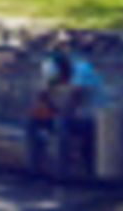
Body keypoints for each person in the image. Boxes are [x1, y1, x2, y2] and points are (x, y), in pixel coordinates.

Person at [27, 48, 106, 179]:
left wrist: (53, 108)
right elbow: (44, 96)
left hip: (91, 117)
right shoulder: (54, 70)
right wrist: (43, 101)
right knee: (32, 121)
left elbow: (73, 103)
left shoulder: (82, 70)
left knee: (61, 124)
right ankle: (34, 169)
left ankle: (62, 173)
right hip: (67, 114)